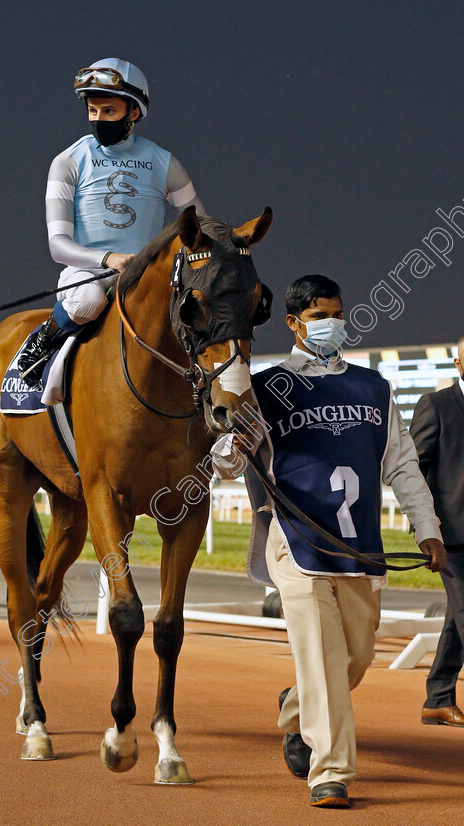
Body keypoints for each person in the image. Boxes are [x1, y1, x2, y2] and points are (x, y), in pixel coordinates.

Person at [211, 274, 445, 808]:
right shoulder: (268, 389)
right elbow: (226, 463)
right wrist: (231, 434)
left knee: (355, 657)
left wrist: (427, 529)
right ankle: (331, 771)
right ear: (294, 323)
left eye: (336, 313)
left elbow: (403, 466)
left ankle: (296, 708)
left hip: (360, 546)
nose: (331, 324)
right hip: (295, 541)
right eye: (319, 316)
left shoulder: (373, 387)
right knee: (319, 654)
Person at [18, 57, 204, 385]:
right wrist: (108, 259)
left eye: (109, 111)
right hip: (87, 273)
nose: (99, 119)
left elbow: (200, 226)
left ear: (133, 112)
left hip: (146, 275)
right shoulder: (67, 162)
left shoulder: (165, 163)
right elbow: (57, 245)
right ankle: (43, 340)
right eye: (93, 111)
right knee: (88, 300)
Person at [410, 334, 464, 728]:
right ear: (459, 364)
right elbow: (412, 471)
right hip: (452, 537)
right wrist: (423, 526)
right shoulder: (436, 405)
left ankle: (438, 698)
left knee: (456, 617)